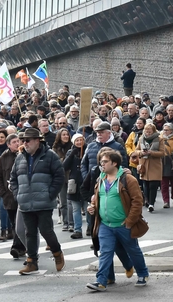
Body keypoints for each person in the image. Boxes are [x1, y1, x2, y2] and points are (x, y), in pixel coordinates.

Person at [85, 148, 149, 291]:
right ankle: (101, 281)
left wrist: (129, 221)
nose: (102, 164)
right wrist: (93, 207)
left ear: (114, 163)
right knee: (105, 252)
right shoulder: (100, 179)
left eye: (105, 161)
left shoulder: (128, 179)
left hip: (123, 224)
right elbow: (98, 199)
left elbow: (137, 201)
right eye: (101, 161)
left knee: (133, 250)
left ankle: (143, 274)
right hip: (105, 225)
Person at [10, 127, 66, 275]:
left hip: (43, 201)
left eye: (27, 140)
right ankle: (32, 261)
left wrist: (50, 194)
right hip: (25, 202)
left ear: (37, 141)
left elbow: (59, 176)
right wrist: (18, 194)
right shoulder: (20, 157)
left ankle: (57, 252)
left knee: (46, 231)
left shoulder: (50, 156)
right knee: (30, 233)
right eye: (23, 140)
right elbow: (13, 178)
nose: (25, 143)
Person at [0, 133, 27, 258]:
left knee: (21, 223)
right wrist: (2, 192)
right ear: (8, 145)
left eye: (18, 141)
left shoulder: (24, 155)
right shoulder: (3, 158)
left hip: (23, 194)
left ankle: (17, 247)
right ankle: (21, 247)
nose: (17, 143)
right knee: (14, 223)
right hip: (9, 196)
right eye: (14, 142)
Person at [63, 133, 86, 239]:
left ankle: (90, 227)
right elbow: (64, 166)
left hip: (85, 182)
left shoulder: (87, 150)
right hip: (74, 183)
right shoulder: (70, 152)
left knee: (87, 207)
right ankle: (78, 229)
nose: (79, 142)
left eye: (81, 140)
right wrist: (72, 155)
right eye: (77, 140)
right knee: (76, 208)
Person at [137, 123, 164, 212]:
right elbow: (136, 151)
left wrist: (151, 152)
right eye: (146, 131)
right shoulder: (141, 139)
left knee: (153, 185)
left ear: (153, 131)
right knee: (145, 185)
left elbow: (162, 153)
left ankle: (151, 203)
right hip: (144, 165)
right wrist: (141, 153)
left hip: (155, 165)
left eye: (150, 131)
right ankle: (148, 201)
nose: (148, 133)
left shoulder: (159, 139)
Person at [160, 123, 173, 208]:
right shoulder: (160, 138)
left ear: (171, 131)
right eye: (164, 130)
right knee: (164, 184)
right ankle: (166, 201)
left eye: (167, 130)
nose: (165, 131)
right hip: (163, 161)